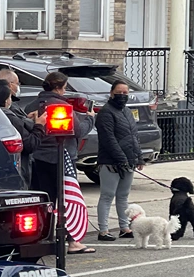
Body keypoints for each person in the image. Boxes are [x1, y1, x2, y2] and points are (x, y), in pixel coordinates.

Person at [32, 71, 95, 254]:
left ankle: (43, 238)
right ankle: (72, 241)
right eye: (65, 88)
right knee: (67, 199)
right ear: (59, 88)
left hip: (38, 158)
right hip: (61, 156)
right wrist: (90, 118)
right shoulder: (61, 106)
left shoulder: (33, 104)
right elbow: (78, 130)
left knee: (44, 200)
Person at [95, 81, 144, 241]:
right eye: (119, 92)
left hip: (128, 160)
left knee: (123, 196)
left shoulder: (128, 112)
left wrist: (138, 156)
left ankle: (124, 227)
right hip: (110, 162)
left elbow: (133, 137)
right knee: (107, 195)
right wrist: (121, 159)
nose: (122, 96)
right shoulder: (106, 113)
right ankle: (103, 230)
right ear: (111, 93)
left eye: (125, 93)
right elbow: (108, 139)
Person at [0, 78, 46, 185]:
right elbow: (30, 143)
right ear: (6, 100)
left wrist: (26, 120)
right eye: (10, 97)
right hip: (14, 172)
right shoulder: (8, 118)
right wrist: (39, 125)